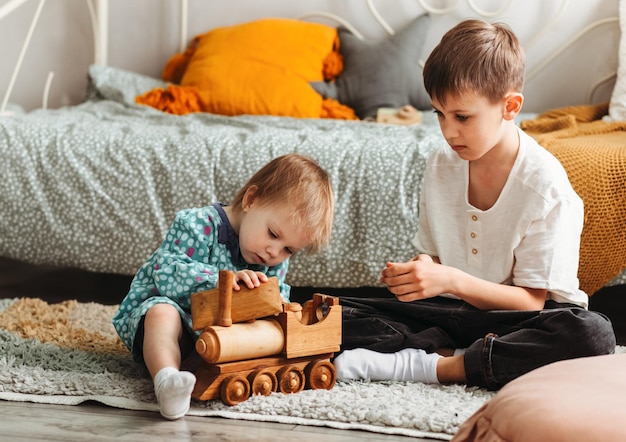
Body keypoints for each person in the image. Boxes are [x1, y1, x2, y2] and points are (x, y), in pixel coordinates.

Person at [333, 19, 616, 390]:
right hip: (451, 312)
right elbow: (435, 258)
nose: (448, 131)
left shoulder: (545, 187)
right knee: (332, 313)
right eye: (438, 113)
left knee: (592, 335)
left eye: (462, 117)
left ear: (510, 106)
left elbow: (531, 302)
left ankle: (432, 367)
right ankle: (464, 352)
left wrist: (450, 278)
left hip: (518, 320)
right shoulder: (442, 162)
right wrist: (421, 272)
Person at [113, 153, 334, 419]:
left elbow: (275, 294)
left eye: (289, 249)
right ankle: (167, 380)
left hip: (217, 336)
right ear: (251, 200)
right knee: (162, 312)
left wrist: (277, 307)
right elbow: (167, 273)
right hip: (173, 318)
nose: (274, 251)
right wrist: (221, 281)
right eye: (273, 234)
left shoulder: (272, 258)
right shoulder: (196, 224)